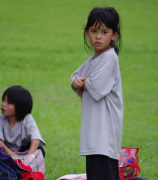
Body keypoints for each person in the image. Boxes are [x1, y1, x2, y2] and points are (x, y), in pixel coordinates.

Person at [71, 7, 123, 180]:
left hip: (104, 132)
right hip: (94, 133)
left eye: (104, 32)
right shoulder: (95, 58)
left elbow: (97, 87)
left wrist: (82, 84)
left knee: (103, 172)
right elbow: (76, 76)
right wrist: (75, 83)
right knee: (95, 173)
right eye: (94, 31)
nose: (98, 36)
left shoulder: (109, 57)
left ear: (114, 35)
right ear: (87, 33)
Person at [0, 85, 46, 157]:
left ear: (20, 107)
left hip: (23, 152)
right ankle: (1, 164)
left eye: (9, 102)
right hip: (5, 151)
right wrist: (13, 156)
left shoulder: (27, 119)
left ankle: (24, 167)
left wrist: (28, 158)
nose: (3, 104)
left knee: (39, 150)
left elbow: (36, 139)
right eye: (3, 100)